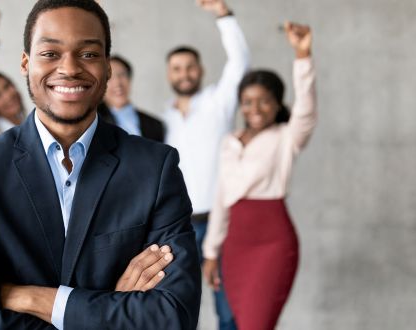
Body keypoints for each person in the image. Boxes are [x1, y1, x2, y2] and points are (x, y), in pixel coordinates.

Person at [0, 0, 201, 329]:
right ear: (25, 63)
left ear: (107, 67)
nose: (70, 68)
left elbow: (174, 316)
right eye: (50, 53)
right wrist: (112, 307)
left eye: (88, 53)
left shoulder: (155, 168)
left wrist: (35, 299)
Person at [202, 22, 316, 330]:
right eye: (248, 101)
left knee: (256, 324)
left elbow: (306, 109)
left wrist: (302, 54)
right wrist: (211, 253)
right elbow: (221, 197)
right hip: (235, 245)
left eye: (264, 100)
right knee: (238, 322)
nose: (255, 108)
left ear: (278, 104)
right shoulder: (230, 142)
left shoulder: (285, 137)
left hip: (272, 243)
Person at [162, 0, 249, 328]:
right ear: (169, 74)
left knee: (227, 309)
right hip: (177, 226)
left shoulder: (218, 102)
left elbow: (240, 62)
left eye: (190, 67)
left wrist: (223, 16)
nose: (184, 74)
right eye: (177, 68)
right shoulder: (164, 119)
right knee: (180, 310)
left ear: (200, 70)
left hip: (220, 222)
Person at [99, 55, 165, 142]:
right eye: (108, 77)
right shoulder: (91, 123)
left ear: (130, 79)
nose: (117, 83)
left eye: (122, 75)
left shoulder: (154, 125)